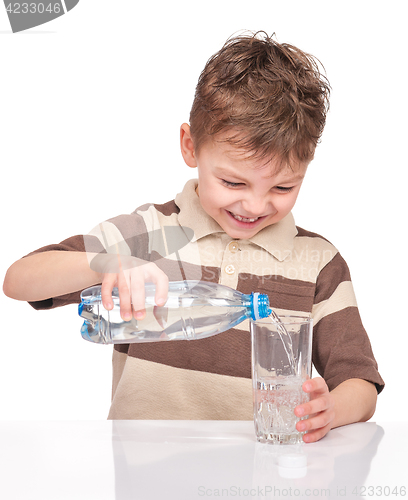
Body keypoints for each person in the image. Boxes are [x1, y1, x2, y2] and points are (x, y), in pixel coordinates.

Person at [3, 31, 384, 443]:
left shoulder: (317, 262)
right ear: (190, 146)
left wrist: (331, 410)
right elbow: (19, 280)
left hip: (259, 477)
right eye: (233, 181)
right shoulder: (147, 234)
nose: (255, 206)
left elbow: (359, 381)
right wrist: (103, 261)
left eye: (282, 188)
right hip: (144, 475)